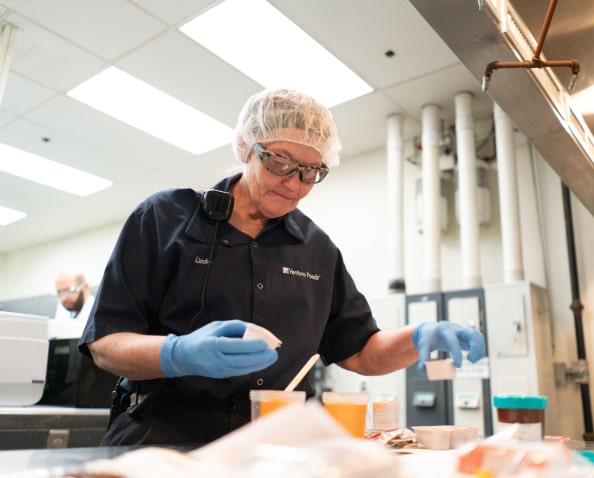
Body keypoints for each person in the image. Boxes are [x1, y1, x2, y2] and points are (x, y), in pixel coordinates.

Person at [79, 88, 486, 446]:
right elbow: (106, 345)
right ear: (245, 147)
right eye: (280, 161)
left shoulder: (317, 249)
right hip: (165, 440)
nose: (294, 184)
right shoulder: (165, 218)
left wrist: (418, 336)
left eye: (311, 171)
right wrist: (178, 354)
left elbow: (360, 352)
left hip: (280, 448)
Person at [49, 270, 95, 339]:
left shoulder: (97, 311)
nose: (63, 298)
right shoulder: (62, 308)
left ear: (85, 287)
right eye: (59, 293)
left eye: (69, 291)